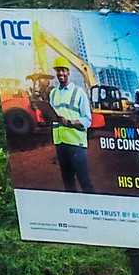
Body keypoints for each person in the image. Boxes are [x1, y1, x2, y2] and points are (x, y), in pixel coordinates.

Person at [46, 60, 95, 192]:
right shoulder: (53, 94)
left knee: (84, 181)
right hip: (60, 143)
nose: (60, 73)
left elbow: (87, 120)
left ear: (68, 72)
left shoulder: (79, 92)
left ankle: (94, 207)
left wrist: (69, 122)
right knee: (68, 183)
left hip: (76, 143)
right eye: (58, 70)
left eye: (63, 70)